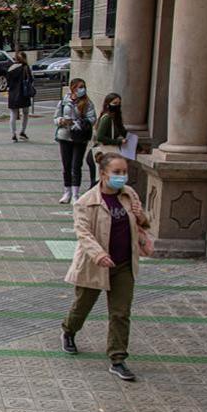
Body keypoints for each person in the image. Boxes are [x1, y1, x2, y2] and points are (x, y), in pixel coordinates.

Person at [61, 153, 151, 382]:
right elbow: (83, 233)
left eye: (124, 172)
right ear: (103, 174)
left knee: (121, 313)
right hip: (94, 264)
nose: (122, 177)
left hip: (123, 265)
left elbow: (143, 222)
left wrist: (142, 217)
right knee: (83, 305)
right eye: (117, 172)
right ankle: (69, 330)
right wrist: (99, 254)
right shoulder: (86, 202)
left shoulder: (128, 195)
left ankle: (118, 359)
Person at [54, 78, 97, 203]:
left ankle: (75, 194)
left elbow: (92, 118)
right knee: (66, 165)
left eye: (83, 87)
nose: (82, 89)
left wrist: (78, 123)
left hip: (80, 137)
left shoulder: (87, 103)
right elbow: (56, 117)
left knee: (76, 165)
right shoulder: (63, 102)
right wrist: (61, 121)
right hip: (65, 136)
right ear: (72, 88)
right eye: (79, 87)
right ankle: (67, 191)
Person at [90, 93, 127, 187]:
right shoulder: (107, 118)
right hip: (102, 153)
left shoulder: (115, 118)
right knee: (98, 184)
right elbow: (100, 137)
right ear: (108, 104)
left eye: (119, 103)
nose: (117, 106)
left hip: (107, 153)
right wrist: (118, 141)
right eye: (114, 103)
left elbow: (122, 131)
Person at [6, 51, 34, 142]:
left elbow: (8, 82)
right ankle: (22, 131)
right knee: (25, 113)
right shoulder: (26, 67)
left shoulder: (10, 68)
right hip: (23, 93)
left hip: (13, 94)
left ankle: (13, 134)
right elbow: (30, 80)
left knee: (13, 114)